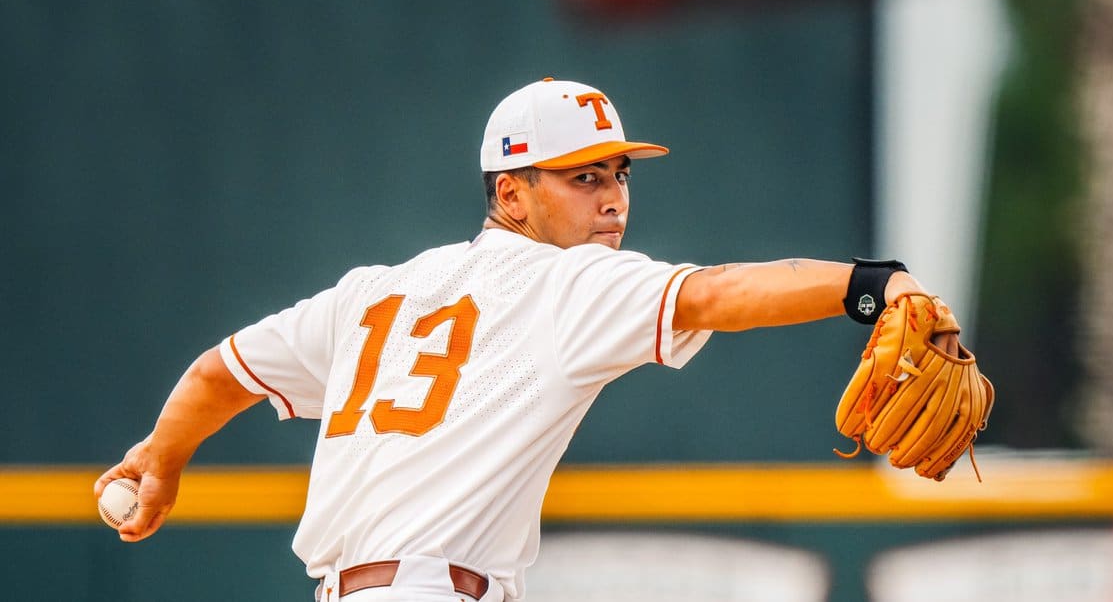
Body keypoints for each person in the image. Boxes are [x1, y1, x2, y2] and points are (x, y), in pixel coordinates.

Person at [95, 77, 927, 601]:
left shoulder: (372, 292)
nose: (612, 198)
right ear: (513, 193)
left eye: (619, 173)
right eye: (583, 175)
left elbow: (220, 372)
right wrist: (874, 282)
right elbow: (718, 294)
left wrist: (160, 462)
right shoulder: (570, 282)